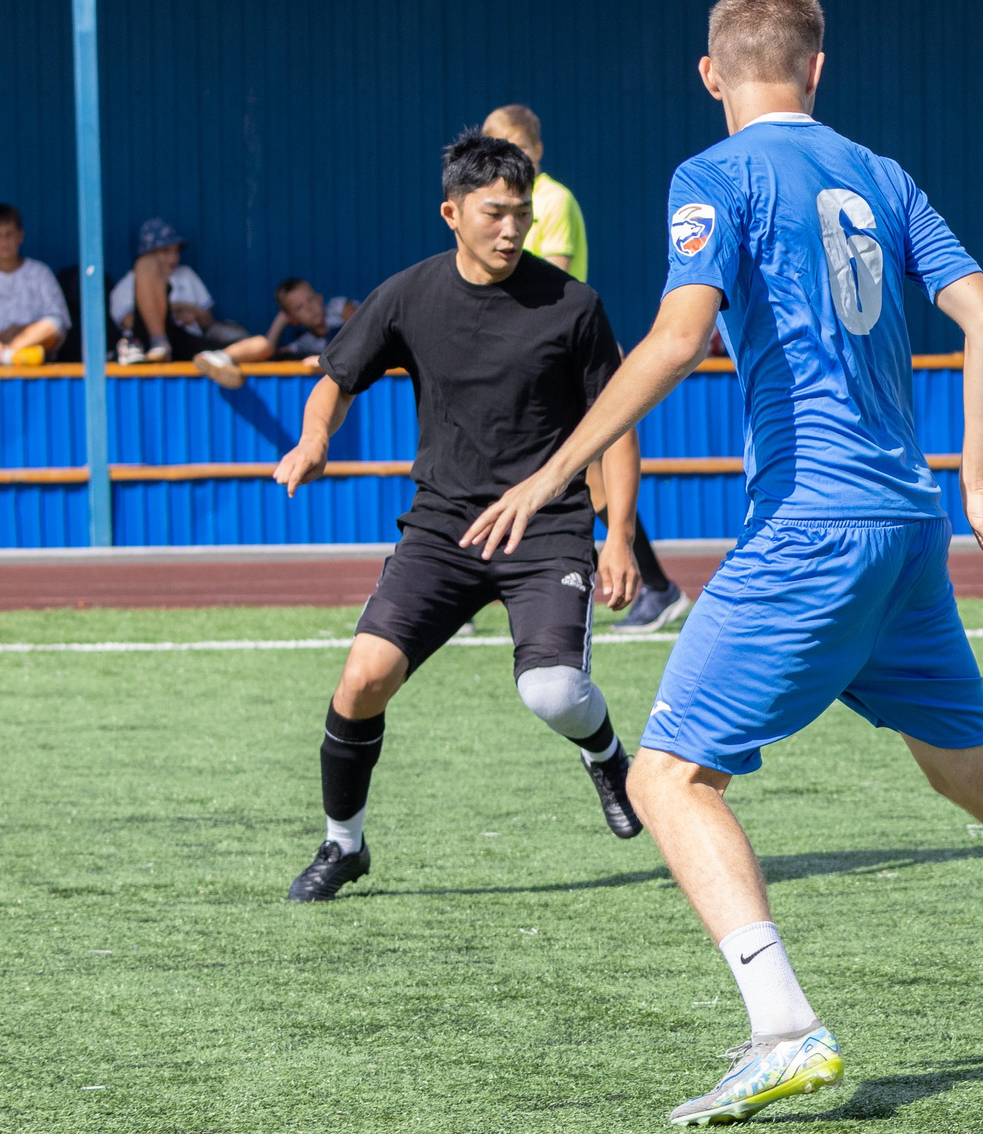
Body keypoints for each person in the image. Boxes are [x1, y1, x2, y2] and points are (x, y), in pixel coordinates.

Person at [460, 0, 983, 1125]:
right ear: (817, 67)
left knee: (664, 775)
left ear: (711, 75)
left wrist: (556, 471)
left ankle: (783, 1028)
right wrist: (980, 474)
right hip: (909, 526)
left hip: (810, 527)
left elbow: (676, 337)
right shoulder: (881, 174)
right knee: (974, 768)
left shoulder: (713, 174)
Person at [272, 132, 648, 902]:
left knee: (552, 693)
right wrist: (313, 440)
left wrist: (618, 538)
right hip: (444, 526)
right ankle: (344, 844)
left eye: (521, 214)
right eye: (494, 214)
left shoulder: (574, 306)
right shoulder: (409, 294)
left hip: (545, 529)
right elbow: (336, 377)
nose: (512, 230)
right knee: (362, 679)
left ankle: (607, 755)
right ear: (452, 211)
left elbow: (617, 425)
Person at [483, 102, 687, 631]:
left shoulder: (550, 200)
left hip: (555, 357)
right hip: (523, 357)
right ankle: (656, 585)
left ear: (536, 150)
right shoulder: (497, 201)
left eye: (512, 147)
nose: (502, 158)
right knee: (565, 474)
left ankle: (653, 583)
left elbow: (550, 283)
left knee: (590, 474)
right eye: (493, 147)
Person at [110, 218, 272, 388]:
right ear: (147, 251)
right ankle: (160, 345)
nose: (173, 257)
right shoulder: (130, 281)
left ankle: (218, 359)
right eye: (165, 251)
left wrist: (195, 314)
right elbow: (128, 321)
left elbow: (208, 322)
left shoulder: (186, 274)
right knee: (146, 266)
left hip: (187, 339)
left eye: (176, 251)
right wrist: (177, 309)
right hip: (150, 341)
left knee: (263, 344)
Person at [0, 203, 68, 366]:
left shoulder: (40, 272)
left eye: (9, 234)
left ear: (20, 235)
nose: (4, 241)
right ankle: (4, 357)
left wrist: (20, 333)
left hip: (28, 352)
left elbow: (57, 324)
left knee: (52, 323)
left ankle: (7, 355)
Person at [262, 277, 356, 365]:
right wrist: (280, 321)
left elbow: (361, 332)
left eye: (310, 299)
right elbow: (267, 353)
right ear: (293, 320)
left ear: (320, 298)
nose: (309, 308)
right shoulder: (304, 343)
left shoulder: (339, 308)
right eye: (299, 307)